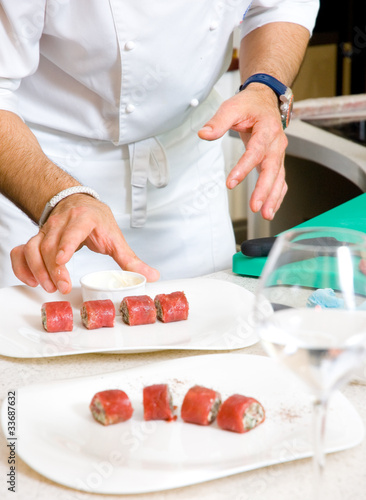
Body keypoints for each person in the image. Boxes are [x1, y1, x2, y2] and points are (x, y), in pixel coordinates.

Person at [0, 0, 319, 294]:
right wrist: (59, 199)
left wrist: (266, 86)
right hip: (43, 178)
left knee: (208, 330)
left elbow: (282, 5)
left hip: (188, 176)